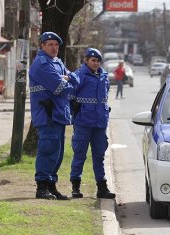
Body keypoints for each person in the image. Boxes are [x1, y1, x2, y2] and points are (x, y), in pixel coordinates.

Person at [29, 32, 79, 200]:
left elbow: (76, 81)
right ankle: (41, 187)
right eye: (50, 44)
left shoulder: (56, 62)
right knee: (48, 150)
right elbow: (60, 87)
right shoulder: (41, 63)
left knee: (57, 153)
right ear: (42, 46)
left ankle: (51, 185)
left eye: (56, 45)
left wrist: (67, 78)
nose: (54, 47)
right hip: (47, 114)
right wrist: (67, 79)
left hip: (58, 113)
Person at [69, 48, 115, 199]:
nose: (95, 63)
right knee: (80, 154)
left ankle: (102, 187)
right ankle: (75, 186)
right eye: (92, 60)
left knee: (99, 155)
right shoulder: (79, 75)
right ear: (86, 60)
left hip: (100, 123)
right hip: (83, 122)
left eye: (97, 61)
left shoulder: (104, 76)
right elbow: (70, 96)